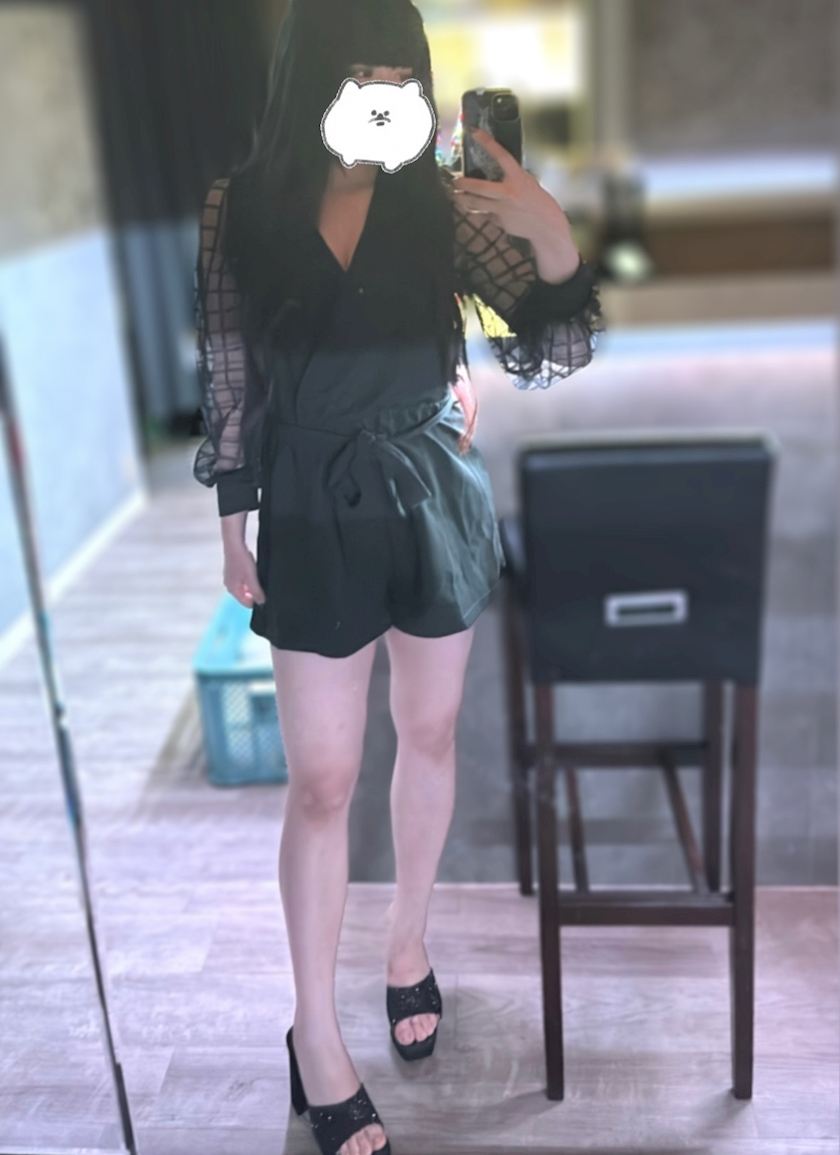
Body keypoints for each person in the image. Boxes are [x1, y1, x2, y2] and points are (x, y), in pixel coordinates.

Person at [192, 3, 601, 1152]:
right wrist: (232, 520)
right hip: (309, 498)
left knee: (428, 734)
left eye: (398, 75)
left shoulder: (441, 201)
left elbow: (556, 350)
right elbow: (229, 372)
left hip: (429, 487)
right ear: (312, 80)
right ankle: (314, 1032)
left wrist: (549, 232)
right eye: (359, 72)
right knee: (322, 780)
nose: (382, 95)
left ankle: (408, 942)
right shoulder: (241, 205)